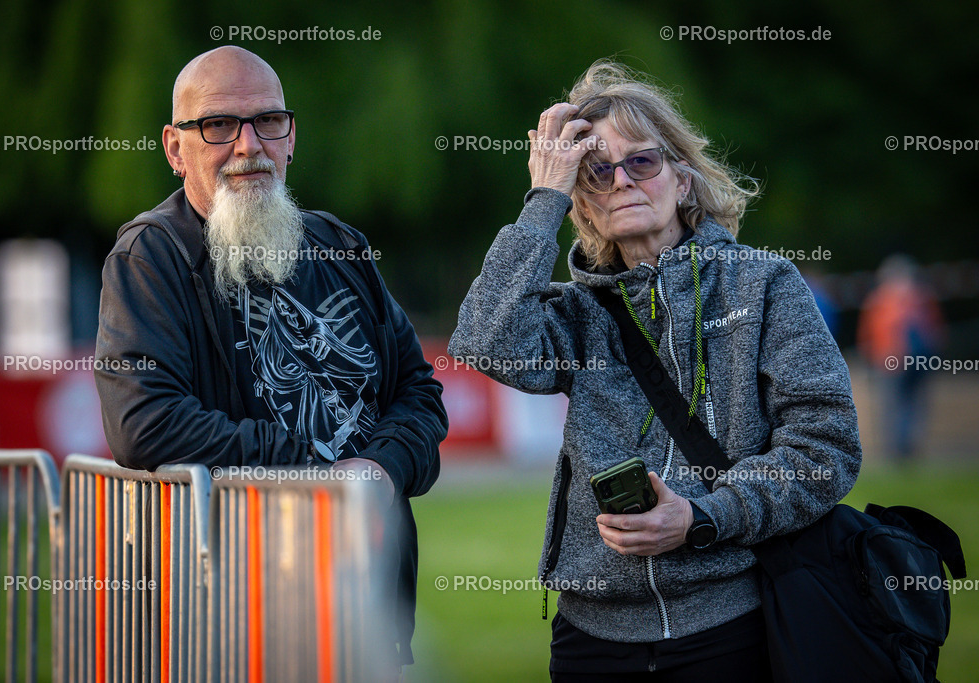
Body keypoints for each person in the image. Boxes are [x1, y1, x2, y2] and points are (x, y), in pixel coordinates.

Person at [448, 60, 862, 681]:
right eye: (594, 172)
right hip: (589, 632)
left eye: (641, 161)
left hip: (731, 622)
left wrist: (700, 519)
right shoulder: (576, 313)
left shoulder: (765, 283)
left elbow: (824, 450)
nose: (620, 181)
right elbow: (484, 342)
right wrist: (543, 200)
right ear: (580, 202)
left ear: (684, 180)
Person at [94, 46, 447, 670]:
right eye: (219, 125)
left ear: (291, 138)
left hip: (364, 609)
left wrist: (380, 472)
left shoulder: (340, 244)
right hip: (218, 625)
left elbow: (418, 393)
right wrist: (320, 477)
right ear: (176, 149)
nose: (248, 145)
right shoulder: (151, 257)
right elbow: (146, 425)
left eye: (268, 122)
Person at [857, 254, 945, 460]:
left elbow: (867, 333)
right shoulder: (922, 296)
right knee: (911, 403)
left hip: (890, 360)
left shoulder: (879, 299)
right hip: (909, 359)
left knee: (893, 404)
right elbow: (937, 330)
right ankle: (905, 447)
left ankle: (898, 449)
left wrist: (869, 356)